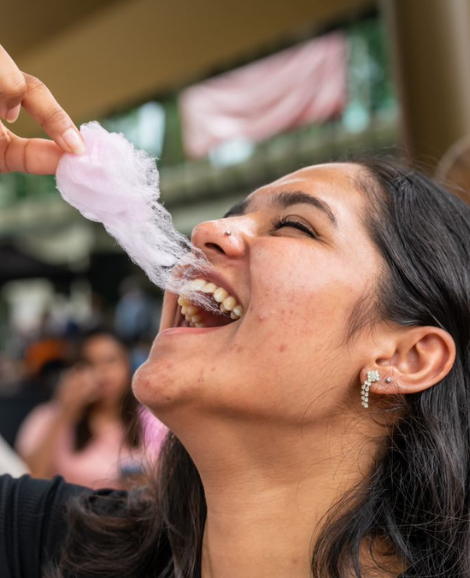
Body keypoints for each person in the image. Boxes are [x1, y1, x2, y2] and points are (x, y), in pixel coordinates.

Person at [0, 44, 469, 578]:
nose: (205, 234)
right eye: (229, 217)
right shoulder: (44, 543)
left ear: (406, 358)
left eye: (295, 226)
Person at [15, 328, 143, 489]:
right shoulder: (47, 416)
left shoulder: (150, 420)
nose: (102, 372)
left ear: (129, 367)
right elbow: (29, 481)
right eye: (90, 363)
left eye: (110, 361)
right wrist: (64, 412)